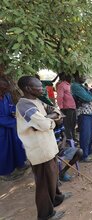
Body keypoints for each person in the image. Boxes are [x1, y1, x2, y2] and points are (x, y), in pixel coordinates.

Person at [16, 76, 70, 220]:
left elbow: (57, 111)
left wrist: (49, 118)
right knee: (44, 183)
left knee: (52, 176)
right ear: (28, 88)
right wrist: (52, 121)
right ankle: (46, 214)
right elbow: (45, 125)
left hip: (48, 147)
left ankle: (57, 198)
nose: (42, 89)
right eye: (38, 86)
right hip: (39, 150)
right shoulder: (24, 105)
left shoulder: (37, 101)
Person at [0, 77, 28, 180]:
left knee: (16, 145)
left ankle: (20, 165)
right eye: (3, 89)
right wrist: (12, 121)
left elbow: (11, 106)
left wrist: (13, 112)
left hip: (11, 126)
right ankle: (5, 173)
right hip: (2, 128)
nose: (5, 91)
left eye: (6, 89)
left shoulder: (6, 95)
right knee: (3, 150)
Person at [71, 73, 92, 162]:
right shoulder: (75, 86)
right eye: (83, 75)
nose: (85, 77)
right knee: (85, 135)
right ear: (77, 76)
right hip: (83, 113)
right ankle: (84, 156)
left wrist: (91, 96)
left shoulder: (81, 86)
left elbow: (89, 96)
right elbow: (88, 98)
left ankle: (88, 151)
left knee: (90, 133)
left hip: (88, 112)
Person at [56, 73, 77, 144]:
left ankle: (73, 138)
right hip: (66, 108)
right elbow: (59, 97)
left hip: (72, 107)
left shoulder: (69, 85)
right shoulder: (62, 85)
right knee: (67, 125)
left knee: (73, 124)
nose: (72, 79)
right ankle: (70, 140)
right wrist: (61, 108)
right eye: (71, 77)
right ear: (67, 78)